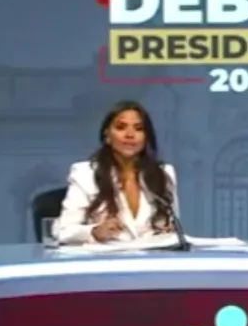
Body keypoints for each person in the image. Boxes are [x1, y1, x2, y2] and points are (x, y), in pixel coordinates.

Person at [55, 100, 179, 245]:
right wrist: (95, 231)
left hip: (153, 257)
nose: (130, 134)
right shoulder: (85, 174)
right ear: (107, 136)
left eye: (138, 129)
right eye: (121, 127)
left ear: (146, 137)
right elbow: (63, 231)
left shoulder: (163, 173)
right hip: (106, 257)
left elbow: (174, 226)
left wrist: (169, 232)